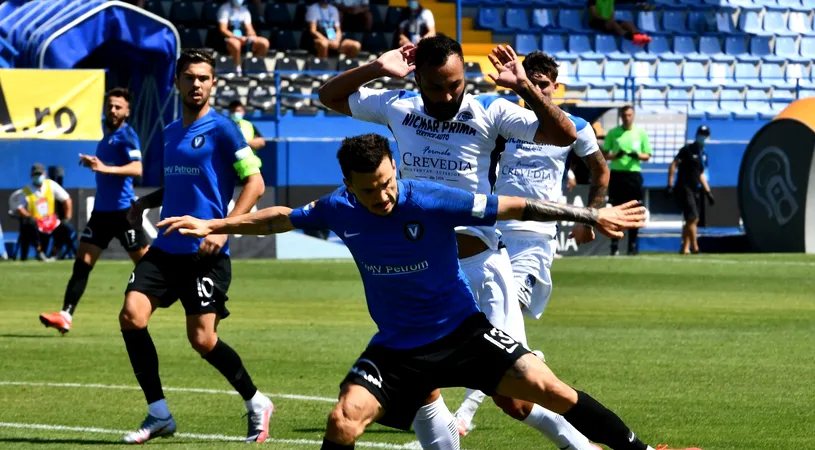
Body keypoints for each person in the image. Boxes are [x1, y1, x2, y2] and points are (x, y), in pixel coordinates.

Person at [158, 133, 698, 450]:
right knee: (343, 420)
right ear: (349, 185)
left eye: (389, 182)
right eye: (370, 190)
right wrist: (214, 227)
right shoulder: (338, 209)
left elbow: (518, 206)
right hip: (397, 347)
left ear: (396, 169)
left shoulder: (430, 198)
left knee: (544, 387)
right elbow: (278, 217)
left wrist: (589, 212)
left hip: (463, 333)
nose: (384, 196)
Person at [318, 36, 584, 449]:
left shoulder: (489, 110)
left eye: (456, 84)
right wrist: (376, 68)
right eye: (436, 86)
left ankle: (584, 446)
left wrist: (524, 87)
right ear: (417, 76)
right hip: (421, 271)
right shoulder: (399, 105)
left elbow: (563, 134)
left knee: (514, 396)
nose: (447, 95)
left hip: (480, 267)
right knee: (423, 387)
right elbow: (329, 96)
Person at [455, 51, 610, 447]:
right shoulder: (506, 119)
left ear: (554, 86)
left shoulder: (572, 126)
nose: (538, 88)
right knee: (501, 342)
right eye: (532, 81)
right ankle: (575, 437)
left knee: (492, 333)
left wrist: (590, 216)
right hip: (491, 233)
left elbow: (600, 170)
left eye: (545, 83)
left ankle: (464, 413)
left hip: (535, 241)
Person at [117, 49, 271, 444]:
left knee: (202, 340)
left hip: (206, 252)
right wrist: (143, 203)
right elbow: (181, 183)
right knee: (132, 315)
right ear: (178, 83)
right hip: (166, 247)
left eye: (204, 77)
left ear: (213, 83)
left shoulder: (225, 130)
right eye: (189, 77)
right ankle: (159, 413)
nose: (196, 84)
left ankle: (256, 402)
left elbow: (254, 184)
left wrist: (223, 230)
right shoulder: (170, 132)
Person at [38, 88, 149, 335]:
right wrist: (96, 164)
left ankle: (184, 294)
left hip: (123, 213)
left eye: (118, 106)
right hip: (101, 213)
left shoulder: (127, 136)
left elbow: (138, 168)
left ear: (127, 111)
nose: (112, 110)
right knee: (82, 263)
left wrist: (104, 168)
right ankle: (65, 315)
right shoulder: (107, 137)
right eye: (110, 106)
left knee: (147, 264)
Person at [603, 105, 652, 256]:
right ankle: (615, 244)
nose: (627, 118)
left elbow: (647, 155)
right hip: (617, 174)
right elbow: (604, 154)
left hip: (633, 175)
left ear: (633, 115)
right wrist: (615, 156)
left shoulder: (640, 133)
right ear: (620, 116)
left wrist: (635, 155)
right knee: (616, 209)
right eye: (624, 115)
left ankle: (632, 245)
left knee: (634, 210)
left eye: (629, 115)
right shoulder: (614, 133)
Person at [666, 125, 714, 255]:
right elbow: (673, 165)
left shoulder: (703, 155)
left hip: (694, 189)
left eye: (705, 134)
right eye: (701, 133)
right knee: (693, 217)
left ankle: (684, 248)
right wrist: (669, 184)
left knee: (692, 219)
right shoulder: (687, 150)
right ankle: (695, 247)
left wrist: (708, 192)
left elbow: (701, 174)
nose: (702, 136)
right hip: (684, 187)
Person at [13, 163, 74, 262]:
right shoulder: (27, 189)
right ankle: (39, 252)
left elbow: (67, 199)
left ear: (44, 174)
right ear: (32, 176)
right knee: (29, 224)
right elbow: (19, 207)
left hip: (51, 221)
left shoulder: (51, 185)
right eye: (35, 174)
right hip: (36, 222)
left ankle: (55, 252)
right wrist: (28, 216)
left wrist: (67, 217)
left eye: (40, 174)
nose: (38, 177)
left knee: (66, 227)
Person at [217, 0, 270, 75]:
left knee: (264, 43)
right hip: (228, 39)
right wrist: (237, 38)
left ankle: (254, 65)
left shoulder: (244, 10)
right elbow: (223, 29)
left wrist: (251, 36)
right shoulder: (224, 9)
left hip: (243, 38)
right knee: (236, 43)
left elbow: (250, 28)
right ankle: (237, 68)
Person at [587, 0, 651, 47]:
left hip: (609, 21)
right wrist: (608, 20)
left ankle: (638, 36)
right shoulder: (592, 1)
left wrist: (610, 20)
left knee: (628, 24)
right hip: (596, 22)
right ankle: (632, 38)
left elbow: (612, 13)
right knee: (614, 25)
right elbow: (594, 14)